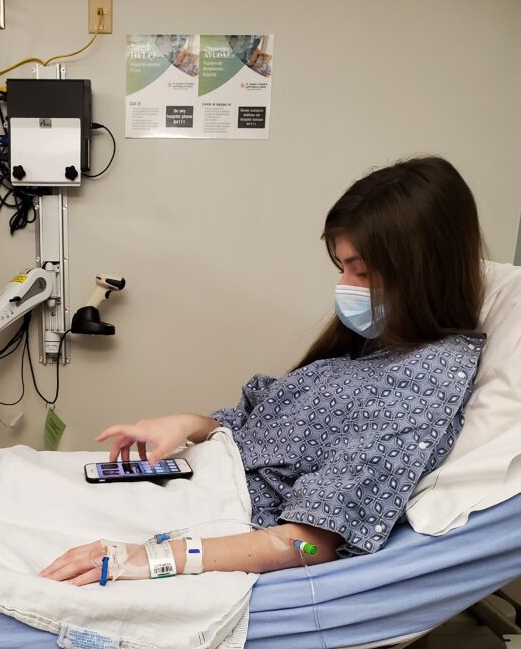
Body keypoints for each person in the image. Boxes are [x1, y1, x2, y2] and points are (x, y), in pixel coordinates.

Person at [40, 156, 485, 586]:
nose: (345, 288)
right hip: (201, 477)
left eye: (362, 272)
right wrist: (192, 425)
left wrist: (150, 558)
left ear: (426, 274)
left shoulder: (427, 376)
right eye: (342, 268)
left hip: (222, 517)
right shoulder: (376, 344)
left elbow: (310, 545)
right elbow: (263, 428)